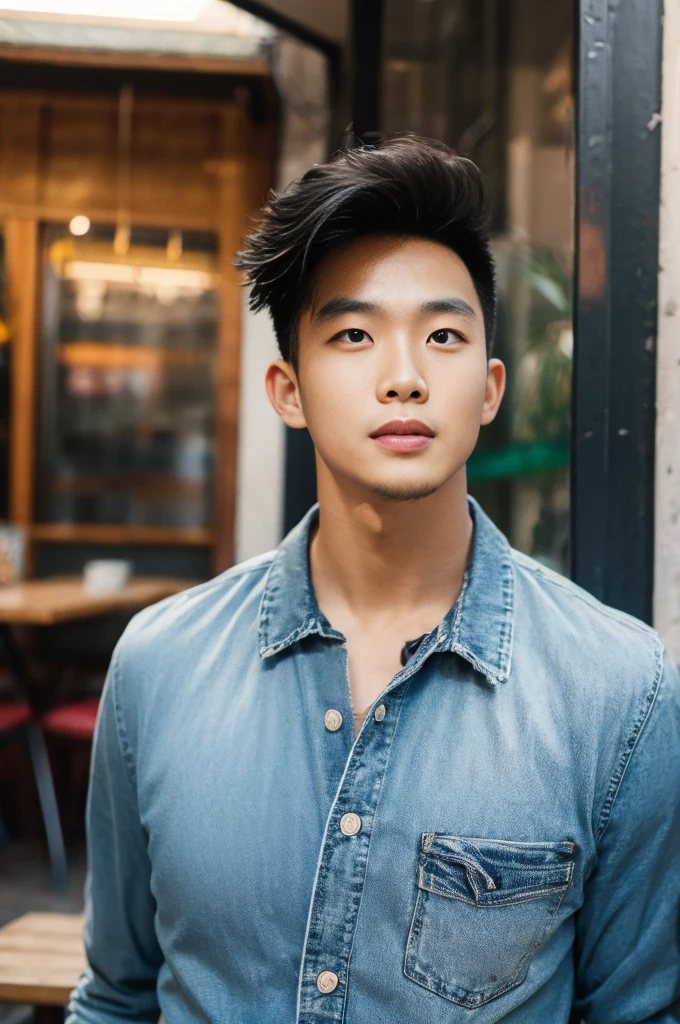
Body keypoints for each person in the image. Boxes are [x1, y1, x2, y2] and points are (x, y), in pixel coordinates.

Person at [68, 136, 680, 1024]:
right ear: (288, 389)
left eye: (443, 335)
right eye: (354, 335)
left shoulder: (618, 689)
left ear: (490, 387)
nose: (404, 377)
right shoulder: (159, 665)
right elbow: (117, 998)